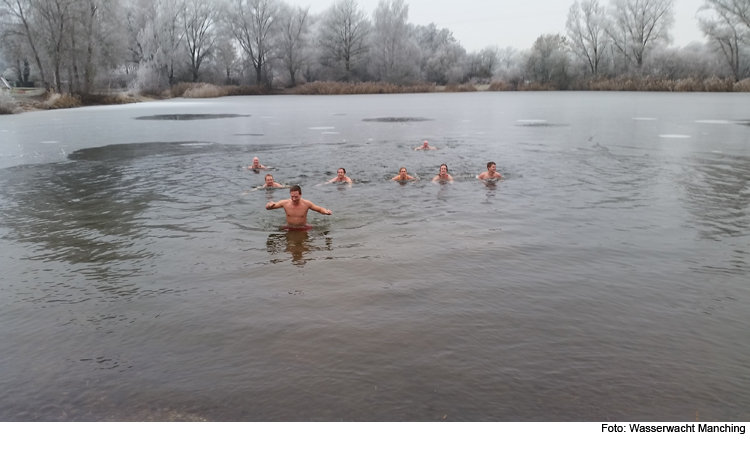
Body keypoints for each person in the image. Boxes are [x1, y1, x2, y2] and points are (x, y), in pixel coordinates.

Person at [266, 185, 332, 228]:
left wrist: (326, 211)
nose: (294, 199)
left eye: (296, 197)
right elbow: (268, 208)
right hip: (289, 227)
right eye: (292, 196)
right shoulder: (285, 203)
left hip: (303, 227)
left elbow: (319, 209)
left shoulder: (306, 203)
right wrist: (269, 205)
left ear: (300, 195)